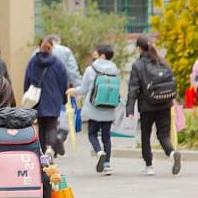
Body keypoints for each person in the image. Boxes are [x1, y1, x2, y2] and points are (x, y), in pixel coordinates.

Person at [126, 36, 181, 176]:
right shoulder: (162, 62)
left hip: (147, 105)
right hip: (165, 103)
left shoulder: (138, 65)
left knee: (145, 135)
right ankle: (171, 153)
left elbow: (133, 87)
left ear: (139, 48)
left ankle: (149, 166)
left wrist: (130, 109)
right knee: (163, 135)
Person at [67, 44, 121, 175]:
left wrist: (72, 91)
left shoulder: (91, 70)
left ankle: (99, 152)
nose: (94, 54)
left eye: (96, 52)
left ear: (102, 55)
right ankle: (107, 164)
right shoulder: (115, 70)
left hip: (94, 108)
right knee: (106, 137)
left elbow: (84, 90)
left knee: (92, 134)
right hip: (109, 108)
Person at [24, 37, 68, 159]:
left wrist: (27, 95)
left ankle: (43, 153)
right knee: (52, 125)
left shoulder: (33, 61)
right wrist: (63, 99)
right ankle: (50, 147)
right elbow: (63, 81)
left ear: (39, 47)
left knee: (41, 126)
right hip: (54, 98)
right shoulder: (58, 62)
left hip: (37, 99)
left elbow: (27, 80)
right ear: (52, 47)